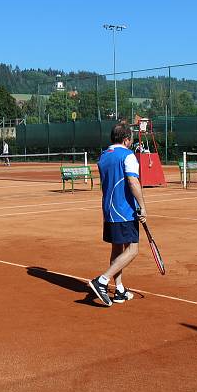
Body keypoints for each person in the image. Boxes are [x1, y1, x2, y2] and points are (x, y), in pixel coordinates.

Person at [88, 122, 148, 307]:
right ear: (126, 140)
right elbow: (132, 181)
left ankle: (119, 289)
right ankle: (103, 280)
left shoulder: (104, 156)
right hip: (124, 211)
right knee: (133, 249)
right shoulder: (128, 155)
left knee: (117, 249)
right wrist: (142, 206)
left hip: (109, 210)